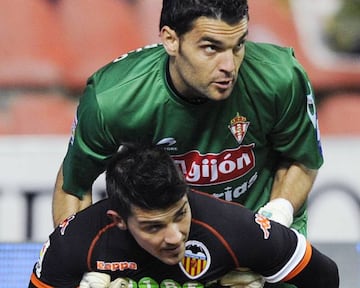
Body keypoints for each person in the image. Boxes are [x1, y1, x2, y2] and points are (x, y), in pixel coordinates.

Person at [53, 0, 323, 277]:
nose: (229, 66)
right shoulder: (112, 99)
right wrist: (80, 265)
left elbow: (301, 158)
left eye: (239, 45)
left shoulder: (281, 78)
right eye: (211, 48)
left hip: (255, 225)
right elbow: (75, 186)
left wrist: (273, 226)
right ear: (171, 40)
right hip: (164, 247)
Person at [31, 144, 338, 288]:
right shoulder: (76, 242)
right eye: (153, 226)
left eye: (180, 214)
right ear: (118, 220)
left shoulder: (236, 230)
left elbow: (326, 277)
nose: (175, 236)